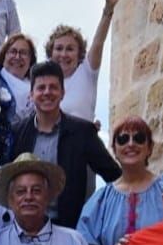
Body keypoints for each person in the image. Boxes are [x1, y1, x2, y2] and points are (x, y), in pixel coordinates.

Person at [10, 62, 121, 230]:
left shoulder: (82, 132)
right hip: (23, 228)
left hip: (69, 229)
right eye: (41, 88)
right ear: (31, 95)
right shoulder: (17, 132)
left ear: (62, 93)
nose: (47, 92)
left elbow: (114, 176)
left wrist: (100, 217)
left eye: (53, 87)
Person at [77, 117, 163, 245]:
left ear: (149, 148)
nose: (131, 144)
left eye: (139, 138)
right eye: (123, 139)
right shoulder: (101, 199)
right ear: (115, 150)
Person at [45, 0, 122, 121]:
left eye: (70, 49)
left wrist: (108, 8)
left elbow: (98, 43)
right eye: (59, 48)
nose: (63, 54)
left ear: (79, 54)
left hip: (81, 140)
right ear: (51, 53)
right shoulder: (44, 84)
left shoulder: (86, 72)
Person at [0, 32, 38, 117]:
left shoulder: (38, 86)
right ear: (4, 55)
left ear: (31, 60)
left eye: (23, 53)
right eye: (13, 52)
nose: (17, 57)